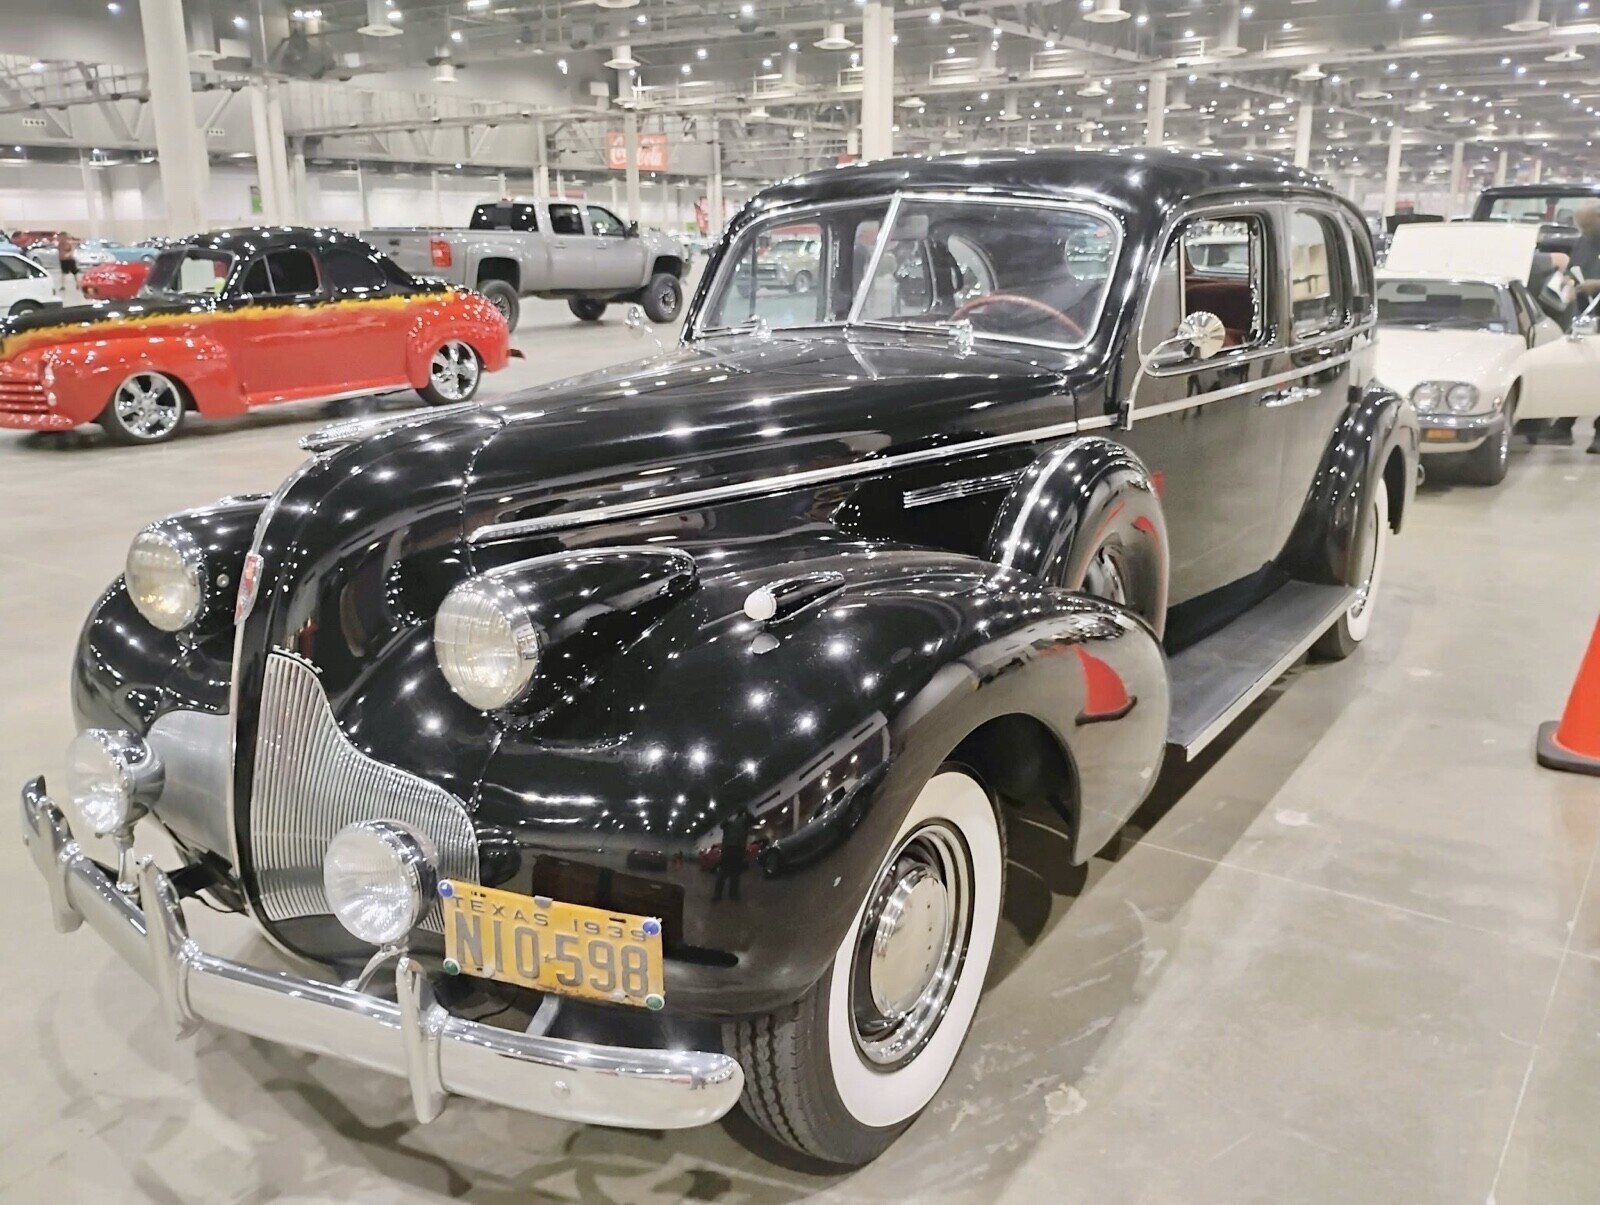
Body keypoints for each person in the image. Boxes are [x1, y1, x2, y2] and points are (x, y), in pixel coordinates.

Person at [1531, 201, 1600, 453]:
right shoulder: (1585, 240)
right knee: (1579, 370)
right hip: (1584, 316)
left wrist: (1595, 284)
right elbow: (1573, 268)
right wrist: (1568, 282)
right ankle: (1563, 425)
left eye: (1587, 224)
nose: (1583, 229)